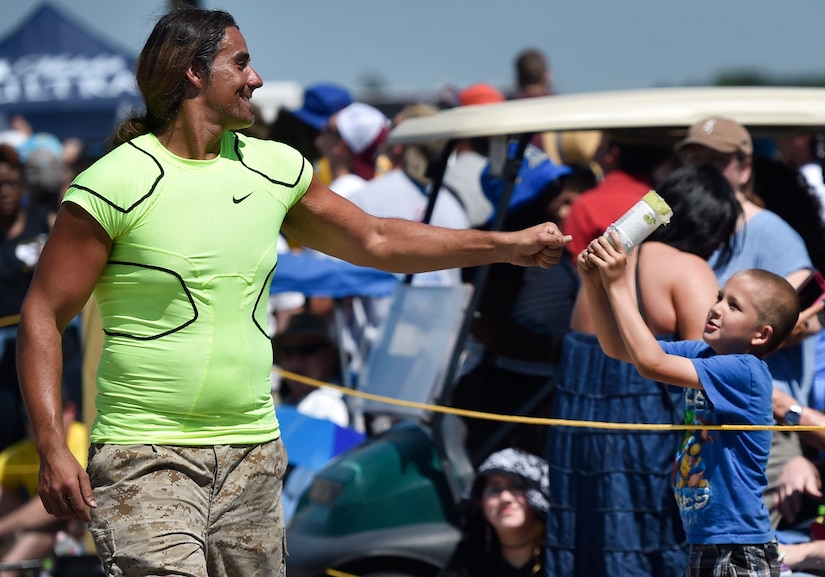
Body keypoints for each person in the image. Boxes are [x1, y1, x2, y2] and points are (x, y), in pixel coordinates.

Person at [14, 7, 571, 577]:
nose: (255, 78)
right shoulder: (116, 181)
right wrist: (53, 445)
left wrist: (504, 244)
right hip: (145, 456)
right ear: (193, 73)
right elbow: (42, 316)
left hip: (253, 455)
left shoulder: (276, 169)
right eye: (242, 63)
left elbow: (377, 238)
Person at [545, 164, 743, 577]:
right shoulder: (687, 269)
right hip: (645, 438)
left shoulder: (606, 265)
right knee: (650, 553)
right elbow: (707, 372)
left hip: (579, 429)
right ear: (710, 227)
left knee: (586, 546)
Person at [581, 232, 799, 575]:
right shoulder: (703, 353)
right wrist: (596, 284)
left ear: (761, 335)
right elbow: (619, 349)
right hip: (707, 539)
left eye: (734, 306)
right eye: (720, 296)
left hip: (738, 546)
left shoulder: (746, 370)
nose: (716, 307)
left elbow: (651, 362)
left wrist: (619, 283)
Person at [676, 117, 822, 528]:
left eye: (713, 162)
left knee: (742, 543)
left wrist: (742, 357)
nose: (701, 172)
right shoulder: (696, 230)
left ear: (743, 167)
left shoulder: (770, 232)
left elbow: (805, 317)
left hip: (760, 421)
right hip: (704, 416)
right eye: (692, 161)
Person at [450, 143, 576, 463]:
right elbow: (490, 326)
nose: (561, 192)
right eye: (551, 187)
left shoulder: (540, 245)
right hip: (512, 391)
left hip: (539, 385)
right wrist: (555, 349)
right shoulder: (509, 256)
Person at [0, 143, 51, 452]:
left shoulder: (46, 224)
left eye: (10, 183)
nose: (4, 191)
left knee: (46, 436)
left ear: (22, 185)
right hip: (2, 363)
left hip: (46, 346)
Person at [0, 395, 88, 575]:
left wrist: (3, 528)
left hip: (81, 530)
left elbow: (67, 496)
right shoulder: (19, 454)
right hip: (46, 531)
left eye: (52, 419)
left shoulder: (85, 439)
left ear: (70, 412)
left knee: (52, 516)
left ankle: (7, 569)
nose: (41, 430)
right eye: (34, 422)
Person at [438, 448, 549, 577]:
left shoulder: (563, 549)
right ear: (481, 503)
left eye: (517, 487)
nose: (505, 498)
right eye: (494, 490)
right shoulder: (472, 552)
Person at [272, 311, 349, 428]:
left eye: (307, 350)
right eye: (288, 352)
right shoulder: (284, 403)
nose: (296, 361)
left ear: (329, 357)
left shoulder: (328, 405)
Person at [315, 101, 390, 198]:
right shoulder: (373, 192)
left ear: (339, 145)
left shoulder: (339, 196)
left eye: (328, 129)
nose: (321, 131)